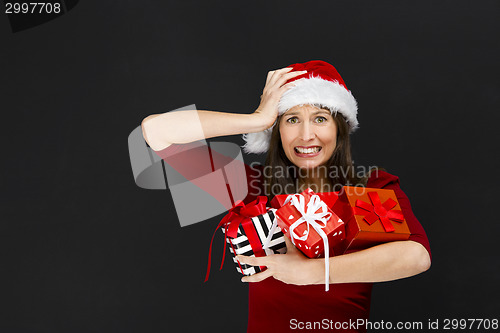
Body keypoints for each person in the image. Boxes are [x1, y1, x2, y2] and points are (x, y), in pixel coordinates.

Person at [141, 60, 431, 333]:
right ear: (276, 131)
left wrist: (314, 271)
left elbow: (415, 256)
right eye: (292, 119)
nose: (306, 135)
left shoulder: (368, 188)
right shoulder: (253, 188)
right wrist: (257, 119)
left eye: (320, 118)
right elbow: (156, 131)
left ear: (339, 129)